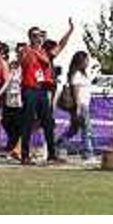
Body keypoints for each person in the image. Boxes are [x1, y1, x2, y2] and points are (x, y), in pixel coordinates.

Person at [19, 19, 74, 165]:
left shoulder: (44, 52)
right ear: (30, 37)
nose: (39, 37)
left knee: (48, 122)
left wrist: (70, 31)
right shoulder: (26, 50)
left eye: (40, 35)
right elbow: (23, 62)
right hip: (29, 89)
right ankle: (24, 155)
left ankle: (51, 154)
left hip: (42, 90)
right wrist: (34, 51)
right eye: (36, 35)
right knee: (28, 121)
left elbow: (60, 46)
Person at [56, 51, 95, 160]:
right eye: (86, 60)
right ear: (81, 61)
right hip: (81, 105)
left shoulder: (83, 74)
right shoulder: (77, 74)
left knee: (74, 129)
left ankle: (58, 143)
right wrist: (78, 107)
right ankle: (88, 153)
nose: (88, 62)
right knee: (86, 129)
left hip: (84, 104)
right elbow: (76, 92)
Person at [2, 43, 26, 159]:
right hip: (9, 98)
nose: (20, 54)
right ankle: (13, 146)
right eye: (18, 52)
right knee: (6, 123)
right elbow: (7, 80)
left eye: (22, 52)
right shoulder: (13, 65)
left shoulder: (28, 65)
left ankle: (16, 149)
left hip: (21, 100)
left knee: (19, 125)